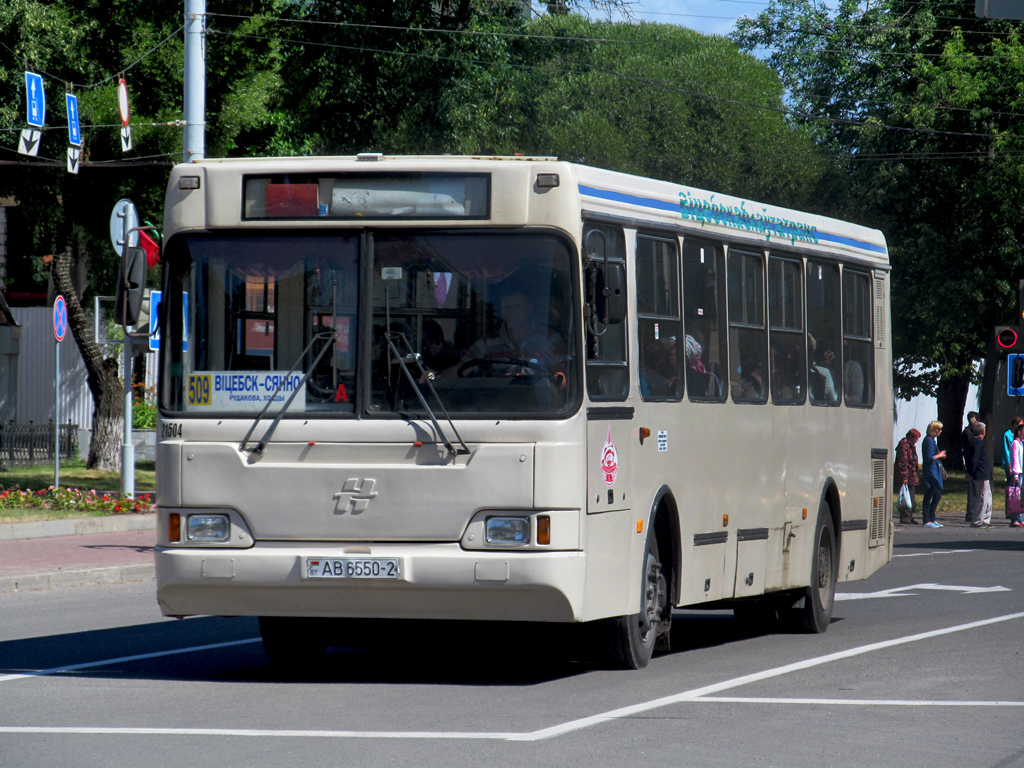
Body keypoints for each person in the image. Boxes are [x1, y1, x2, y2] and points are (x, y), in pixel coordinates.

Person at [456, 288, 567, 377]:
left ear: (529, 308)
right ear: (501, 310)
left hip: (541, 402)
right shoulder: (487, 344)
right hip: (500, 402)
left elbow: (564, 380)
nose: (513, 312)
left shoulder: (550, 338)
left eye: (518, 307)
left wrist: (554, 371)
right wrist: (440, 381)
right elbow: (460, 370)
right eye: (508, 307)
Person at [965, 421, 993, 528]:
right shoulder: (977, 442)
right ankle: (977, 520)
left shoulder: (976, 441)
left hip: (984, 473)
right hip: (980, 473)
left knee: (987, 496)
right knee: (982, 497)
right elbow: (974, 458)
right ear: (983, 431)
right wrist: (970, 472)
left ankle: (986, 518)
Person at [920, 422, 946, 527]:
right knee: (930, 495)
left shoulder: (932, 441)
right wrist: (939, 455)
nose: (940, 432)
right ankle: (926, 519)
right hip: (931, 471)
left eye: (940, 430)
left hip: (934, 470)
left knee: (937, 495)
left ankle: (932, 517)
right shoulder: (928, 441)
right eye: (937, 429)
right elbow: (929, 457)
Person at [895, 428, 922, 525]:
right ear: (910, 437)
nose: (916, 440)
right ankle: (905, 517)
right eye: (916, 438)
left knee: (911, 497)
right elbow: (903, 462)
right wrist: (904, 476)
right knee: (906, 496)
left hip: (912, 475)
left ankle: (910, 516)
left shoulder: (911, 446)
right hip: (907, 475)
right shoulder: (904, 446)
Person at [961, 411, 980, 522]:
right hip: (970, 462)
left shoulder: (972, 433)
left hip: (974, 462)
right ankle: (971, 513)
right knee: (972, 489)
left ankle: (973, 511)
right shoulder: (968, 433)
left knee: (976, 489)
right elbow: (970, 446)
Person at [1008, 421, 1024, 527]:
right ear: (1019, 432)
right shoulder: (1015, 443)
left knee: (1020, 496)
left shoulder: (1021, 443)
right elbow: (1015, 459)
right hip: (1017, 472)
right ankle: (1015, 518)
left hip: (1022, 472)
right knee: (1016, 496)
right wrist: (1015, 474)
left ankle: (1019, 517)